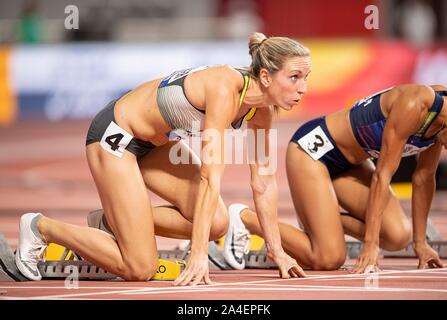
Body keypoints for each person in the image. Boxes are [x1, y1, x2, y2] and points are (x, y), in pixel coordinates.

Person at [15, 32, 310, 285]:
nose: (303, 88)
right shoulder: (224, 88)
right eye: (294, 77)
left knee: (218, 223)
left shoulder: (262, 113)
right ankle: (41, 227)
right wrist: (198, 255)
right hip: (117, 137)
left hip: (154, 145)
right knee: (139, 267)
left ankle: (111, 222)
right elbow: (210, 177)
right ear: (265, 76)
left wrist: (278, 251)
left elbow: (263, 183)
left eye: (306, 78)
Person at [223, 84, 447, 273]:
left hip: (350, 165)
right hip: (312, 153)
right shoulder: (416, 105)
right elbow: (382, 175)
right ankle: (245, 218)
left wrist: (421, 244)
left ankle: (321, 221)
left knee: (398, 236)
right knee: (328, 258)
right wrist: (370, 245)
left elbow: (424, 177)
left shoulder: (441, 124)